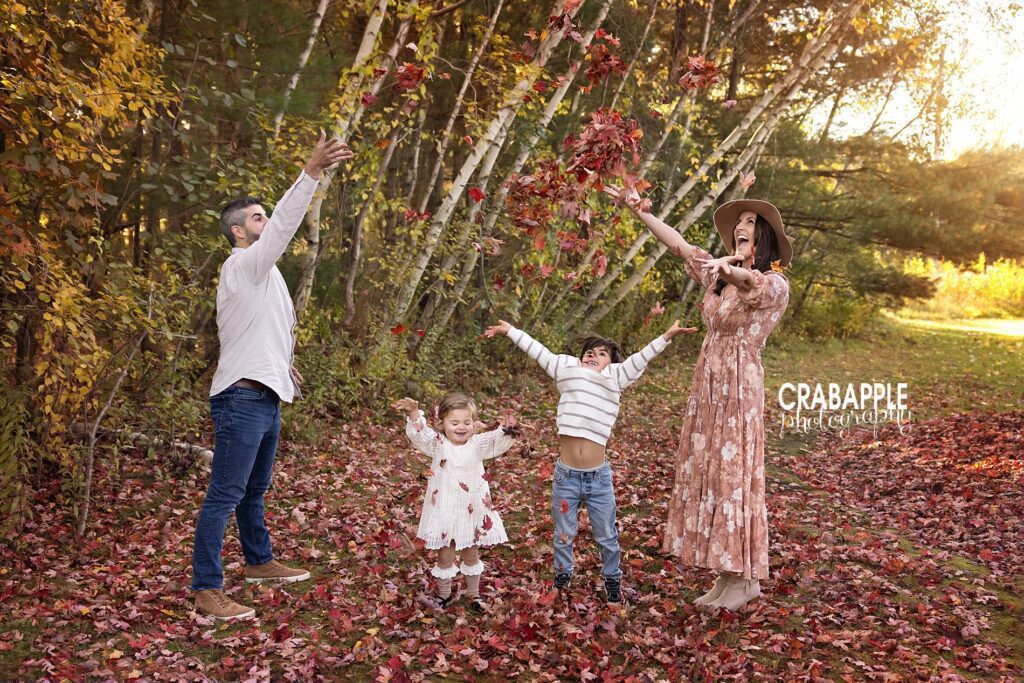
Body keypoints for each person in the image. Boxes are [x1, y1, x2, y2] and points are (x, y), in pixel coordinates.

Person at [191, 133, 353, 621]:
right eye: (256, 217)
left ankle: (259, 562)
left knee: (255, 489)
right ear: (239, 233)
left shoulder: (265, 277)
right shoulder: (243, 264)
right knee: (224, 494)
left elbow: (260, 328)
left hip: (265, 396)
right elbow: (284, 227)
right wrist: (310, 172)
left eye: (264, 214)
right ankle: (206, 589)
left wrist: (282, 362)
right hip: (240, 400)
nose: (265, 222)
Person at [607, 185, 792, 612]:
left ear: (762, 239)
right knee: (711, 471)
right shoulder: (718, 274)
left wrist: (724, 269)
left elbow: (746, 280)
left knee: (733, 476)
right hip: (707, 385)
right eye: (738, 225)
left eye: (749, 225)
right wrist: (637, 211)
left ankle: (745, 579)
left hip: (739, 387)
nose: (740, 230)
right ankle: (728, 576)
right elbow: (678, 245)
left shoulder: (775, 284)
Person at [485, 320, 696, 603]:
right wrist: (511, 331)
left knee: (606, 535)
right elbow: (538, 350)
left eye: (601, 353)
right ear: (580, 356)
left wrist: (667, 336)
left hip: (598, 478)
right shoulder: (566, 368)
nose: (593, 356)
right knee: (563, 533)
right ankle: (562, 575)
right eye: (589, 352)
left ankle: (612, 580)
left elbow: (641, 357)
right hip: (566, 477)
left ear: (611, 363)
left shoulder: (616, 377)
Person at [393, 393, 519, 612]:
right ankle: (444, 594)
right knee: (445, 554)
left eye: (466, 422)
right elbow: (420, 435)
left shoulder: (477, 444)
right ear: (442, 423)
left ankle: (473, 594)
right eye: (455, 422)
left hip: (471, 510)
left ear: (474, 423)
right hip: (444, 509)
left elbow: (497, 442)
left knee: (471, 552)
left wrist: (507, 427)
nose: (461, 427)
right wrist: (414, 412)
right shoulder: (438, 444)